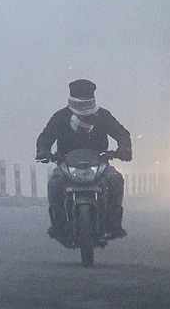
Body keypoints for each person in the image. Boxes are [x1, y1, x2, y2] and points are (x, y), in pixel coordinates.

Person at [36, 79, 132, 240]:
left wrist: (124, 149)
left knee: (115, 180)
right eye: (80, 96)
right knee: (55, 184)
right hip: (66, 163)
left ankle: (113, 225)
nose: (83, 100)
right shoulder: (61, 117)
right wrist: (43, 151)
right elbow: (46, 136)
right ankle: (58, 226)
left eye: (85, 96)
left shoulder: (103, 116)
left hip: (100, 163)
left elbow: (121, 133)